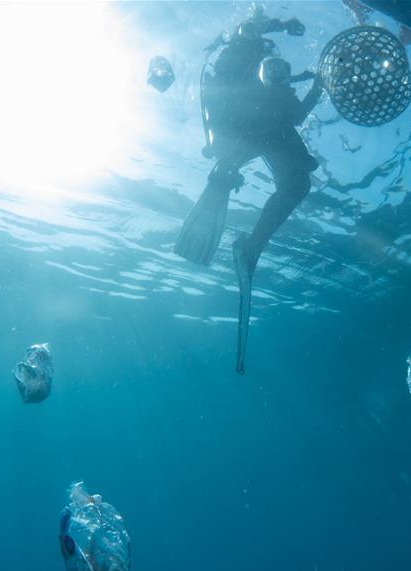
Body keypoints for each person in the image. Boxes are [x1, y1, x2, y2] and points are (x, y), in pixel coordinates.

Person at [174, 8, 325, 373]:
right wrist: (313, 82)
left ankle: (251, 243)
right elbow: (294, 113)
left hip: (259, 127)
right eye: (256, 22)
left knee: (296, 183)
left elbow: (292, 113)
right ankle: (248, 236)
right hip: (250, 124)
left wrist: (307, 76)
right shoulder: (241, 47)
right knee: (295, 182)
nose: (260, 25)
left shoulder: (249, 49)